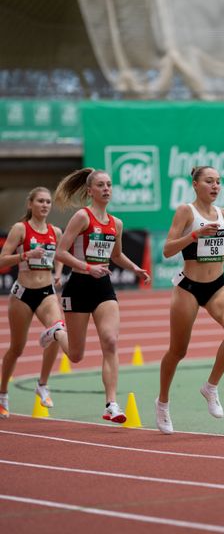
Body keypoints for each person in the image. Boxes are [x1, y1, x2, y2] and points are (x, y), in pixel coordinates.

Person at [40, 168, 151, 424]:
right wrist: (87, 267)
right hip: (78, 286)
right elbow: (59, 252)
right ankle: (56, 331)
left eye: (109, 185)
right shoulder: (82, 216)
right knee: (76, 355)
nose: (106, 189)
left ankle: (111, 403)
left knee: (110, 341)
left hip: (103, 288)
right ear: (90, 191)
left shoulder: (116, 223)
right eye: (101, 185)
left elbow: (116, 256)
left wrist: (135, 268)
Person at [156, 166, 224, 434]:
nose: (215, 186)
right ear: (195, 184)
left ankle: (211, 387)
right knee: (178, 351)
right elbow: (168, 249)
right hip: (189, 288)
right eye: (209, 181)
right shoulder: (186, 212)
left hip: (217, 286)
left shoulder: (223, 214)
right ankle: (162, 403)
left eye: (218, 182)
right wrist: (194, 235)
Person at [0, 187, 69, 419]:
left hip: (47, 292)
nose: (45, 205)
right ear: (30, 204)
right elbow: (1, 261)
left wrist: (58, 272)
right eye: (40, 201)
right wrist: (25, 256)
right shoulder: (20, 229)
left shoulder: (55, 231)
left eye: (48, 202)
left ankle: (42, 384)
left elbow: (60, 255)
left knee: (58, 332)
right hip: (22, 294)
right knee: (17, 348)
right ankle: (2, 393)